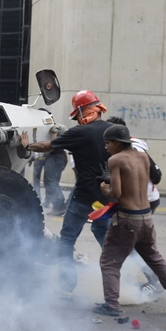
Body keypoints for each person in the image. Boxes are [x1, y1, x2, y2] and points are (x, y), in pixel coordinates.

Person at [21, 89, 115, 285]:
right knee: (105, 237)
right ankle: (119, 283)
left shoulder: (79, 132)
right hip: (106, 198)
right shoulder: (113, 131)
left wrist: (28, 145)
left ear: (81, 112)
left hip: (83, 197)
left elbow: (48, 146)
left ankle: (66, 285)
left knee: (67, 239)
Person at [94, 124, 166, 316]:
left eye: (108, 143)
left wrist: (105, 189)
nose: (106, 147)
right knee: (153, 256)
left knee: (109, 262)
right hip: (146, 216)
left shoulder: (115, 160)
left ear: (117, 143)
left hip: (127, 219)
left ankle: (111, 305)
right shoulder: (143, 156)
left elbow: (116, 194)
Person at [34, 126, 69, 212]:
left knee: (51, 182)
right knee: (50, 182)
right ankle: (56, 205)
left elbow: (52, 145)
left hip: (56, 157)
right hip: (53, 157)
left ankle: (59, 206)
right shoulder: (50, 127)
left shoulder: (55, 128)